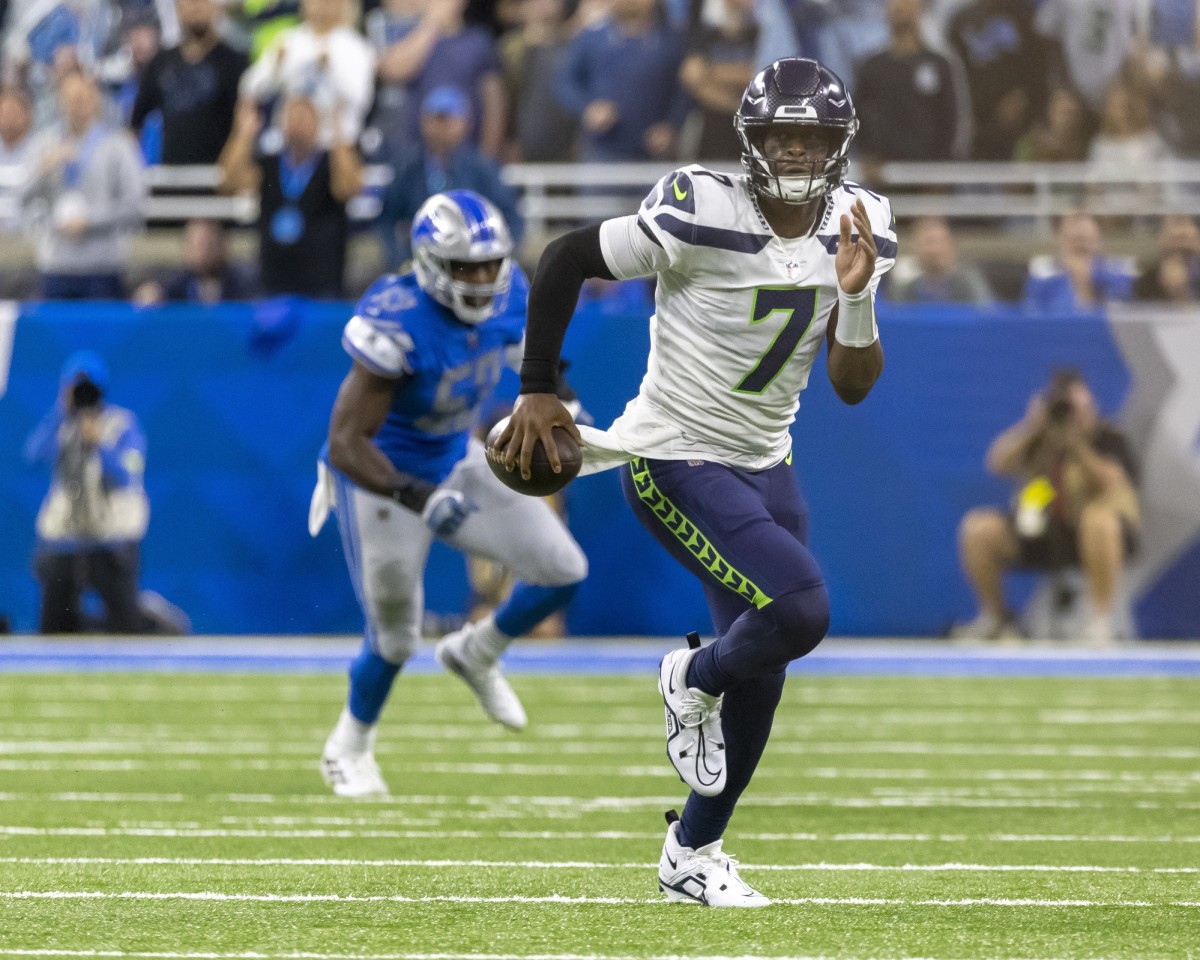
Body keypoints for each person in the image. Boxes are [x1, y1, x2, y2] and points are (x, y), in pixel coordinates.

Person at [498, 57, 897, 906]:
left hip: (767, 461)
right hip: (674, 454)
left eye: (810, 136)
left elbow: (853, 384)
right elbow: (567, 256)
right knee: (800, 610)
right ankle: (690, 679)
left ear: (838, 144)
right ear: (749, 141)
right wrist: (538, 385)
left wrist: (856, 299)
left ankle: (691, 853)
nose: (794, 152)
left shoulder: (862, 223)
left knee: (771, 662)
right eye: (779, 134)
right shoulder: (699, 206)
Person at [309, 189, 588, 797]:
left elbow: (536, 357)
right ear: (432, 264)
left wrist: (560, 400)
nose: (484, 279)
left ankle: (477, 651)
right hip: (384, 478)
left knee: (563, 568)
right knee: (396, 638)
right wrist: (417, 496)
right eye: (468, 268)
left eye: (491, 265)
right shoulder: (397, 318)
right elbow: (345, 443)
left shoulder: (511, 290)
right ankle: (348, 746)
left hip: (458, 460)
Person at [955, 369, 1140, 647]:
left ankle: (1101, 624)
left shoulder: (1108, 437)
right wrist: (1032, 427)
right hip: (1047, 531)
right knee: (978, 528)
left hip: (1100, 536)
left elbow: (1111, 481)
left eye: (1079, 408)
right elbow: (997, 463)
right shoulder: (1042, 437)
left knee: (1098, 520)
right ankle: (994, 618)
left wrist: (1077, 445)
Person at [23, 350, 188, 635]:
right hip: (67, 537)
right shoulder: (62, 425)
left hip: (112, 537)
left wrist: (98, 443)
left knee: (125, 627)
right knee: (53, 627)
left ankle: (149, 617)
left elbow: (125, 477)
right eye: (77, 388)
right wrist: (59, 412)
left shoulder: (123, 425)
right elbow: (33, 455)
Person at [19, 70, 146, 300]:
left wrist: (90, 220)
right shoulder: (45, 144)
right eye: (71, 98)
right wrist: (42, 171)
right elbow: (23, 198)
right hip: (57, 264)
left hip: (102, 265)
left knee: (104, 335)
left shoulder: (117, 146)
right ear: (60, 101)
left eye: (83, 96)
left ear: (95, 98)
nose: (77, 104)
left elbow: (134, 205)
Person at [218, 94, 362, 298]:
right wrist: (243, 134)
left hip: (322, 286)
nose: (298, 124)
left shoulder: (330, 162)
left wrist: (338, 134)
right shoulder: (270, 164)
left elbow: (350, 188)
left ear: (318, 124)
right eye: (292, 117)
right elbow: (228, 183)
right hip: (273, 284)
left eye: (304, 118)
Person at [377, 85, 523, 269]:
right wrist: (399, 260)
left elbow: (510, 216)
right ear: (423, 122)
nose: (442, 128)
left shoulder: (480, 168)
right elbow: (387, 219)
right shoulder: (407, 167)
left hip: (471, 264)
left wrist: (494, 259)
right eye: (436, 119)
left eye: (448, 120)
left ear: (464, 123)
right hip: (419, 262)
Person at [238, 0, 376, 148]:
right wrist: (275, 69)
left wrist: (330, 72)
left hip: (334, 144)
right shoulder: (289, 40)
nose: (318, 5)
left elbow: (361, 99)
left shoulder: (357, 47)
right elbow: (249, 88)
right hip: (289, 143)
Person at [130, 0, 248, 165]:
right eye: (191, 2)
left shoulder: (235, 62)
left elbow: (245, 123)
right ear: (178, 8)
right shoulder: (162, 62)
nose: (197, 8)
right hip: (171, 176)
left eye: (203, 2)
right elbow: (135, 122)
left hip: (217, 177)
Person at [1021, 211, 1133, 314]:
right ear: (1061, 243)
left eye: (1087, 240)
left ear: (1099, 243)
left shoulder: (1117, 276)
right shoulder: (1042, 279)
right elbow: (1033, 318)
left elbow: (1122, 317)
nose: (1081, 246)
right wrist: (1074, 279)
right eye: (1075, 240)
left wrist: (1086, 283)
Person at [133, 217, 259, 304]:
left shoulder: (243, 285)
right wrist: (150, 293)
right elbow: (151, 294)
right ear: (186, 249)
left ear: (223, 247)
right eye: (199, 245)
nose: (204, 252)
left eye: (210, 244)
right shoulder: (176, 286)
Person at [885, 215, 993, 305]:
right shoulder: (905, 291)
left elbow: (986, 317)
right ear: (915, 248)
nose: (934, 250)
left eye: (939, 242)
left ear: (951, 246)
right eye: (928, 242)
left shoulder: (969, 285)